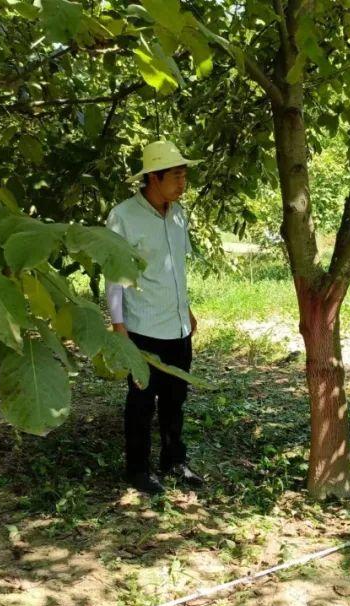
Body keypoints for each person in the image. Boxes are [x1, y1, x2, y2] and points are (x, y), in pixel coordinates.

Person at [106, 140, 204, 495]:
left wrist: (187, 312)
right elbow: (114, 276)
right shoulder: (123, 217)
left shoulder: (178, 214)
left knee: (176, 398)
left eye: (184, 175)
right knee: (142, 403)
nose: (183, 183)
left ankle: (174, 460)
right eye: (176, 176)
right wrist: (119, 328)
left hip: (177, 326)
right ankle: (137, 470)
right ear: (153, 178)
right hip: (143, 329)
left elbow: (175, 269)